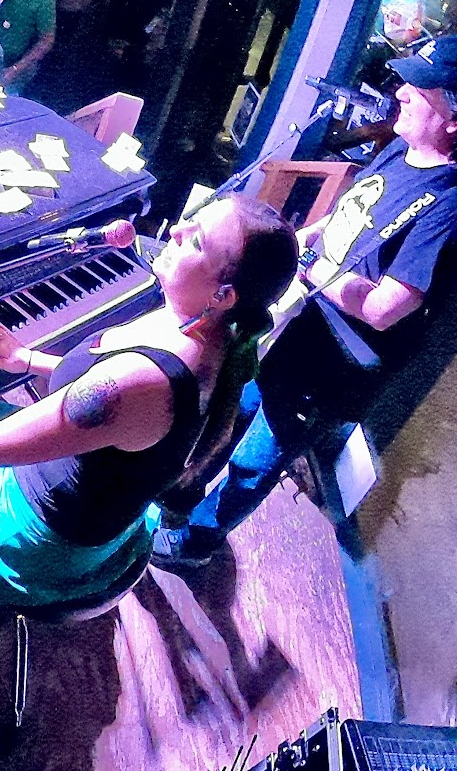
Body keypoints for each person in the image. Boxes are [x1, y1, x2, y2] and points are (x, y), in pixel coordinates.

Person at [0, 195, 296, 604]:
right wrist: (27, 359)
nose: (176, 229)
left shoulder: (144, 378)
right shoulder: (212, 334)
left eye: (196, 241)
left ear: (223, 294)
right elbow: (102, 389)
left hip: (30, 542)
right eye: (191, 219)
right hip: (100, 519)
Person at [154, 37, 457, 571]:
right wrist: (299, 241)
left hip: (338, 362)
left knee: (258, 457)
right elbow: (350, 212)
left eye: (421, 88)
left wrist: (307, 265)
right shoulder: (402, 147)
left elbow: (386, 308)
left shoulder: (449, 204)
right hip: (304, 320)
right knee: (230, 415)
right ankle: (177, 503)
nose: (401, 92)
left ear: (453, 118)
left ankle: (196, 542)